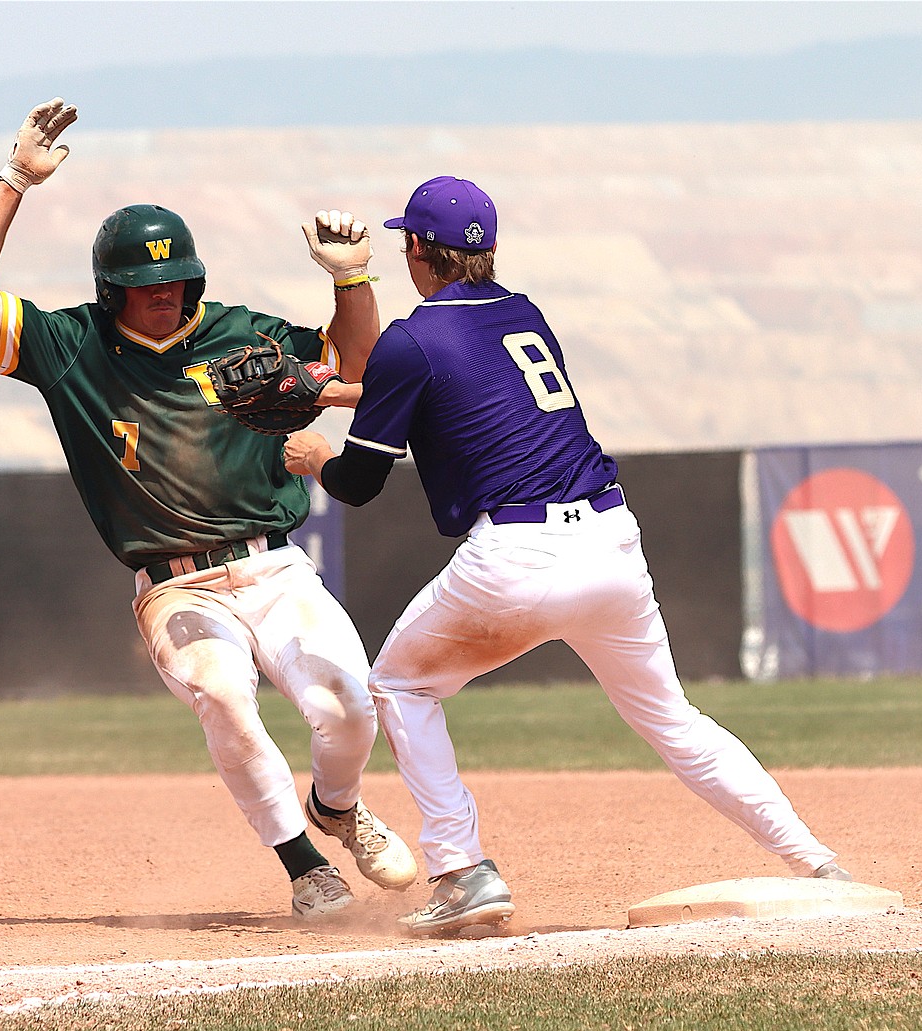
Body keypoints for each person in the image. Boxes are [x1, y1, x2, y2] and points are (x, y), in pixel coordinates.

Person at [284, 174, 852, 934]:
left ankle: (461, 871)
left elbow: (357, 484)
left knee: (400, 686)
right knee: (675, 721)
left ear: (416, 250)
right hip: (612, 541)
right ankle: (817, 861)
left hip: (519, 557)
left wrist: (315, 455)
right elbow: (475, 389)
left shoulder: (409, 343)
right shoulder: (522, 313)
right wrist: (352, 394)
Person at [0, 98, 416, 921]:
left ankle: (337, 807)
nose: (161, 294)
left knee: (348, 706)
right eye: (141, 284)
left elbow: (358, 363)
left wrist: (350, 277)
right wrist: (17, 177)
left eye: (173, 280)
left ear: (194, 275)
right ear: (110, 289)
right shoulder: (72, 347)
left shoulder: (244, 334)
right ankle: (307, 869)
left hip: (273, 563)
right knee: (224, 696)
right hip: (176, 587)